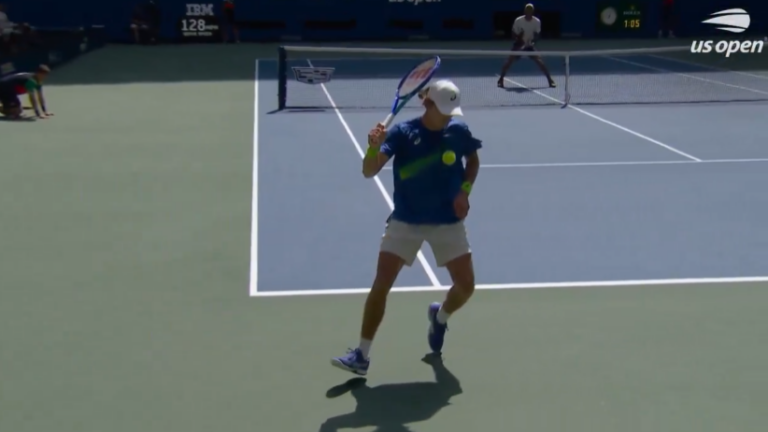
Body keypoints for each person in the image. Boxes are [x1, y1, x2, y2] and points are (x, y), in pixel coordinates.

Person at [331, 79, 482, 375]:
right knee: (381, 284)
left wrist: (464, 191)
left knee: (466, 286)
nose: (448, 116)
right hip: (406, 220)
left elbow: (473, 161)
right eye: (443, 110)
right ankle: (361, 355)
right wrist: (373, 148)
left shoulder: (458, 131)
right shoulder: (403, 132)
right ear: (427, 103)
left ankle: (440, 318)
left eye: (451, 111)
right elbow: (369, 170)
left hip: (447, 221)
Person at [497, 3, 556, 89]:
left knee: (539, 61)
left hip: (529, 45)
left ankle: (550, 80)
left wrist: (533, 41)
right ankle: (501, 79)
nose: (529, 11)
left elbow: (537, 35)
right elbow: (513, 34)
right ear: (524, 11)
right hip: (519, 44)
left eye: (530, 10)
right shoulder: (518, 20)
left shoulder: (536, 21)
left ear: (533, 11)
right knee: (509, 61)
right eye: (527, 10)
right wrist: (519, 39)